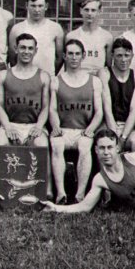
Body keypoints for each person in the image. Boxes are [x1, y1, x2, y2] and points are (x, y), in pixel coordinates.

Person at [0, 33, 52, 197]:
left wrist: (39, 126)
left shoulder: (43, 76)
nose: (26, 51)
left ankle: (48, 190)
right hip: (11, 123)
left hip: (34, 124)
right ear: (16, 49)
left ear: (35, 50)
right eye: (23, 47)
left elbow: (46, 107)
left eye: (30, 48)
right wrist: (7, 126)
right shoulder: (4, 75)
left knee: (42, 145)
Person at [50, 39, 104, 202]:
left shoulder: (94, 81)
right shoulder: (56, 80)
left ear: (83, 56)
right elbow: (52, 109)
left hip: (83, 130)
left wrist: (91, 128)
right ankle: (61, 193)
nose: (74, 57)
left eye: (77, 54)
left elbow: (99, 111)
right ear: (65, 56)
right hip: (64, 129)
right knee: (57, 145)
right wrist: (56, 126)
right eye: (70, 54)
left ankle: (80, 194)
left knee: (85, 146)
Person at [98, 37, 135, 152]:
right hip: (108, 123)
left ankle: (133, 170)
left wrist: (123, 137)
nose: (123, 60)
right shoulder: (104, 73)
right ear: (112, 55)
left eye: (126, 55)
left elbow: (134, 110)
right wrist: (114, 136)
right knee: (106, 142)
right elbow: (107, 108)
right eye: (119, 55)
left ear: (132, 56)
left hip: (128, 125)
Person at [9, 0, 64, 75]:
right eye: (33, 6)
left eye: (40, 6)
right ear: (27, 5)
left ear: (46, 6)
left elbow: (59, 58)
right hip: (24, 78)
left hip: (47, 78)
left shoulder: (56, 28)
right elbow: (12, 58)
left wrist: (48, 74)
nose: (37, 10)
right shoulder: (17, 29)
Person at [65, 0, 113, 75]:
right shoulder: (72, 36)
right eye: (86, 10)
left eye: (93, 10)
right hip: (78, 80)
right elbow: (67, 67)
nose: (89, 13)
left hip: (98, 80)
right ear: (81, 11)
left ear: (99, 11)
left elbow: (108, 66)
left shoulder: (107, 37)